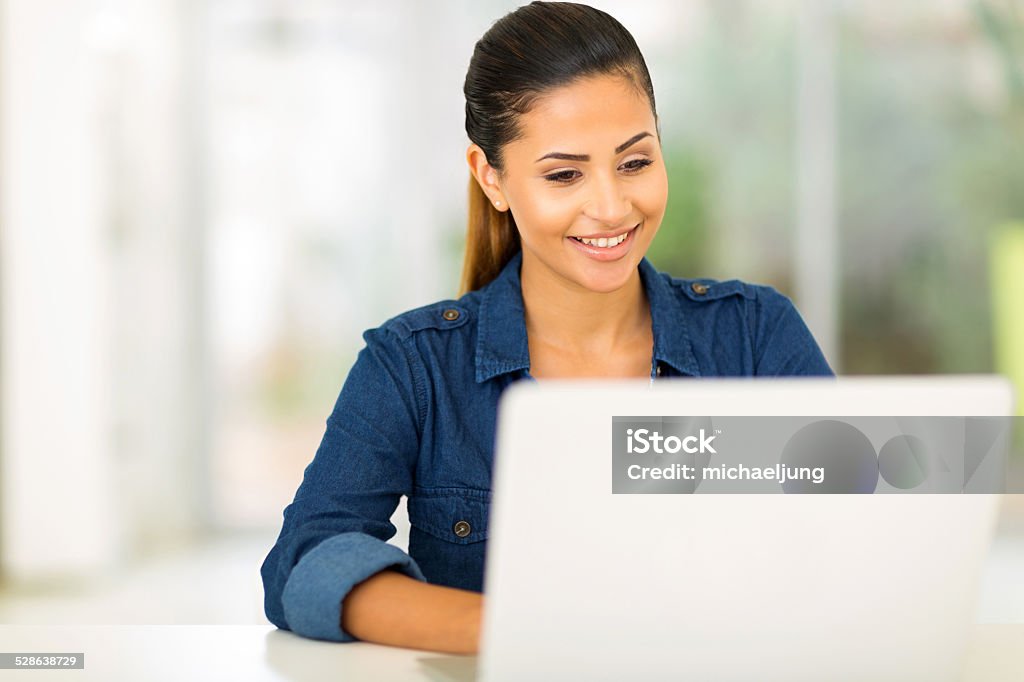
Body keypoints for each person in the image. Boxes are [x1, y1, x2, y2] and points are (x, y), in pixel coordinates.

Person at [260, 0, 833, 656]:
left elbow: (854, 534)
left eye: (635, 162)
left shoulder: (754, 336)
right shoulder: (413, 366)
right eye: (564, 174)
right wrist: (517, 632)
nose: (612, 206)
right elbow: (303, 562)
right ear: (492, 177)